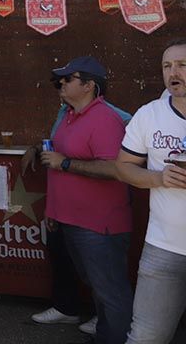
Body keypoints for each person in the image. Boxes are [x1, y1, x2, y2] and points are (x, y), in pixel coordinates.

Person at [20, 56, 132, 344]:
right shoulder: (68, 115)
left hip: (99, 225)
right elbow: (58, 161)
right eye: (61, 80)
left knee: (110, 293)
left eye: (68, 79)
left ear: (89, 86)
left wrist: (65, 163)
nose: (61, 83)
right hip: (71, 220)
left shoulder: (106, 118)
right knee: (98, 288)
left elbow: (115, 169)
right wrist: (54, 209)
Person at [115, 38, 186, 344]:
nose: (174, 72)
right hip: (163, 248)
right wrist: (159, 178)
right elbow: (123, 167)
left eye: (183, 65)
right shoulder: (149, 115)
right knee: (146, 337)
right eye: (167, 66)